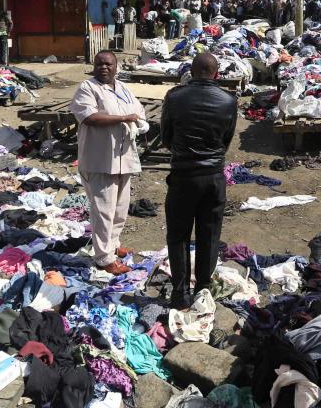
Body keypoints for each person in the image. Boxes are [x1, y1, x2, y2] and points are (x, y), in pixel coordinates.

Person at [160, 53, 236, 309]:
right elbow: (225, 141)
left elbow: (166, 138)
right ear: (216, 74)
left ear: (191, 72)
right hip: (214, 177)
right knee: (209, 234)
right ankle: (203, 289)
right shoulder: (228, 100)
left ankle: (180, 294)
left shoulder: (175, 97)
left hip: (183, 176)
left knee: (178, 236)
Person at [69, 51, 145, 275]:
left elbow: (137, 110)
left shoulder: (122, 88)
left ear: (116, 67)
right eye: (99, 64)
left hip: (123, 158)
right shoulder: (87, 88)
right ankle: (103, 258)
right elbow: (90, 118)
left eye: (108, 64)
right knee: (103, 211)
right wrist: (124, 118)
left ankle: (113, 245)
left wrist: (140, 122)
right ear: (94, 66)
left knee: (120, 208)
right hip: (99, 160)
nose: (104, 67)